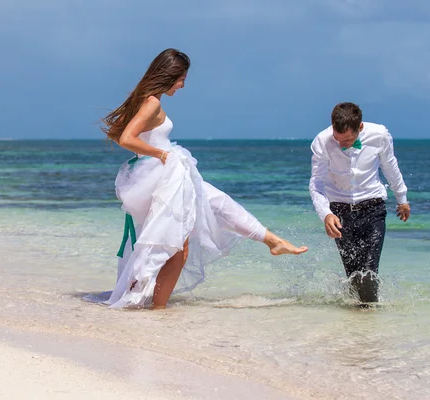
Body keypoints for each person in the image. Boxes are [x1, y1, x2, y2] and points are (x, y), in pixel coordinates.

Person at [101, 48, 308, 309]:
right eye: (182, 78)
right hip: (163, 175)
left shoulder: (140, 98)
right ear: (170, 74)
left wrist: (151, 156)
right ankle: (158, 309)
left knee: (217, 203)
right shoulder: (151, 102)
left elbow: (120, 133)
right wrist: (161, 155)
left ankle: (272, 241)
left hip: (160, 174)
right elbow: (125, 138)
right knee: (177, 246)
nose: (183, 85)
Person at [309, 102, 410, 305]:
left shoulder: (379, 135)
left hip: (373, 208)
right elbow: (316, 183)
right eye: (338, 140)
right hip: (339, 212)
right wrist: (326, 214)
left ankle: (371, 318)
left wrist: (402, 198)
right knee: (353, 275)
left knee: (369, 273)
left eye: (347, 140)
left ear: (360, 127)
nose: (342, 145)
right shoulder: (322, 141)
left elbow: (390, 166)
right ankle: (357, 324)